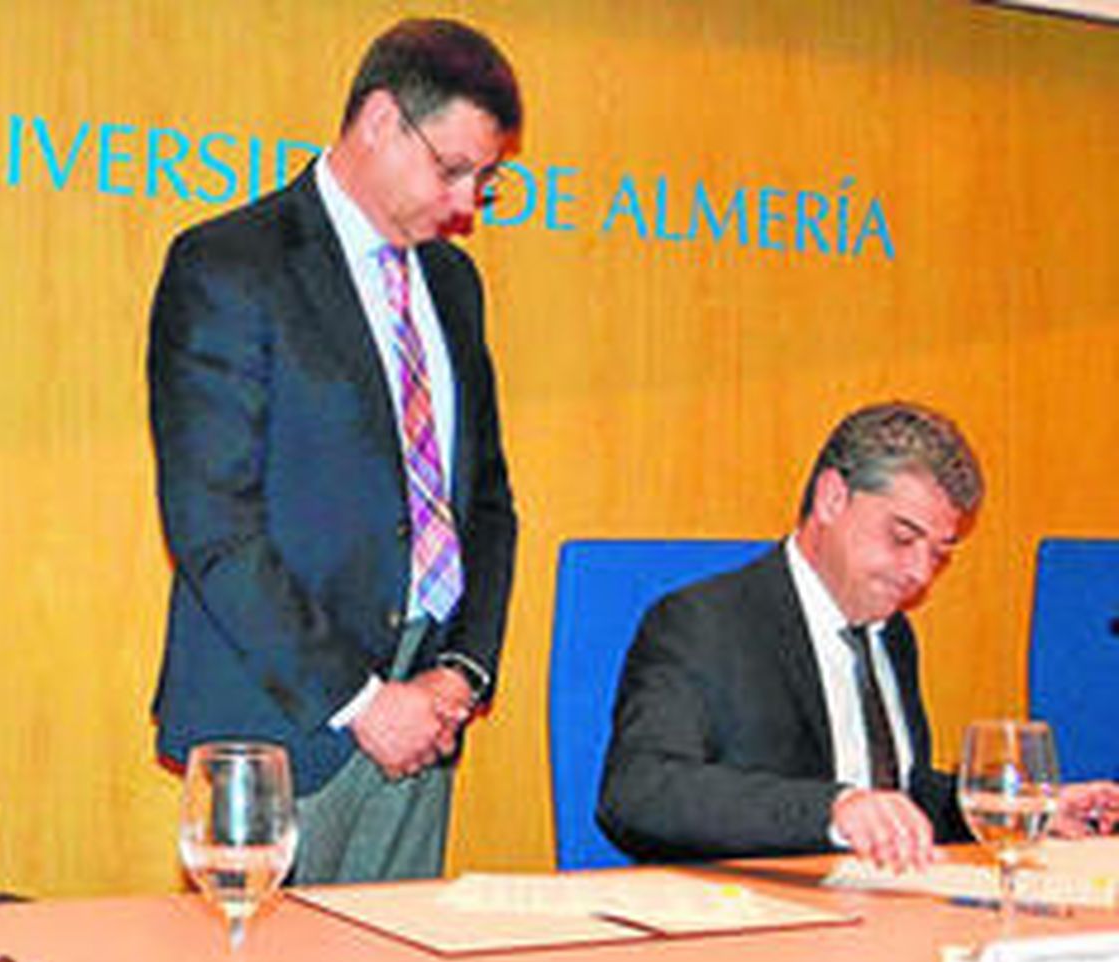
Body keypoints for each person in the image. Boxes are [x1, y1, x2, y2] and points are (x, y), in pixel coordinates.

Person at [147, 18, 521, 883]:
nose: (466, 203)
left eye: (485, 180)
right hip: (283, 712)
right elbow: (213, 525)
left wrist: (459, 673)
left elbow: (485, 500)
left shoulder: (453, 284)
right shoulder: (230, 266)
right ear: (381, 121)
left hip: (427, 713)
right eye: (453, 169)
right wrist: (363, 704)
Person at [598, 401, 1119, 871]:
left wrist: (1019, 810)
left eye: (938, 553)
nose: (920, 573)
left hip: (875, 916)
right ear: (831, 498)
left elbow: (900, 791)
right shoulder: (704, 622)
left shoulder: (891, 633)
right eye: (902, 537)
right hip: (753, 928)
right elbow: (640, 792)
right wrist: (836, 809)